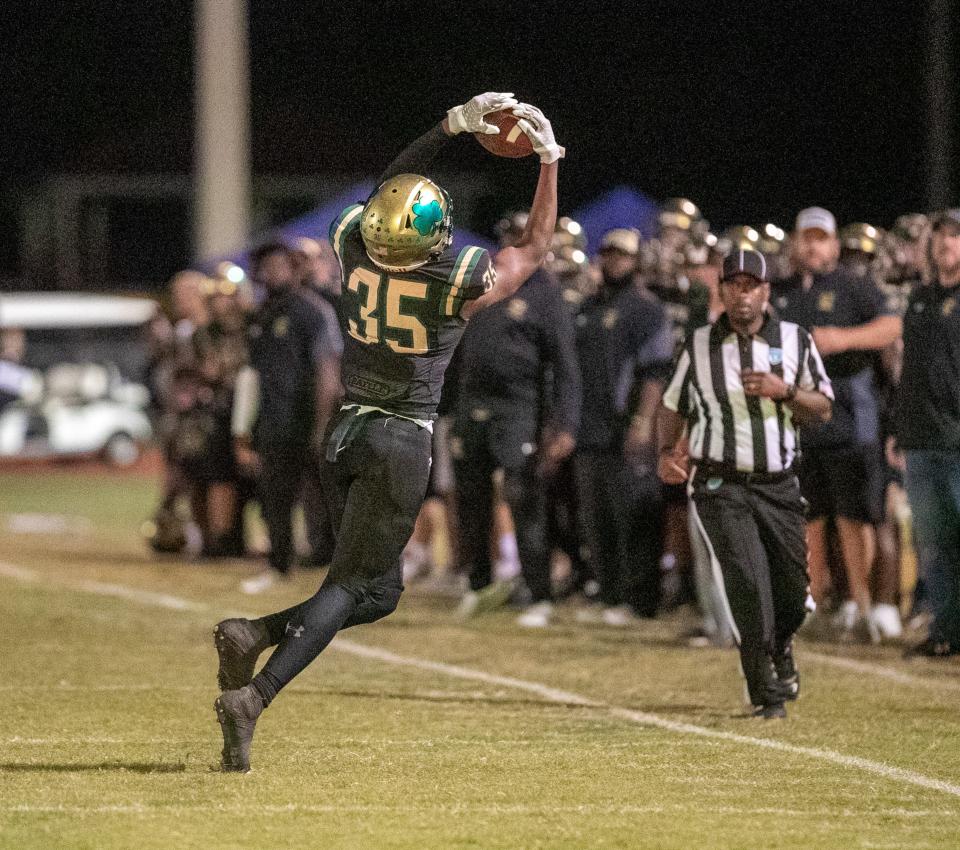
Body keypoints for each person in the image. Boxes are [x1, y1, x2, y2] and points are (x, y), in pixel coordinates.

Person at [212, 93, 563, 771]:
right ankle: (255, 695)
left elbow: (382, 193)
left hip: (343, 430)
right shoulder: (457, 278)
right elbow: (536, 246)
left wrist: (446, 127)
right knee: (353, 587)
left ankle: (254, 630)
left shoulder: (352, 247)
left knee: (377, 592)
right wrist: (548, 160)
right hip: (400, 436)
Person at [658, 248, 833, 719]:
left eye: (751, 284)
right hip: (719, 483)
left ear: (766, 290)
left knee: (793, 593)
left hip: (778, 483)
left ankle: (780, 647)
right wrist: (665, 451)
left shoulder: (796, 339)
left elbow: (824, 408)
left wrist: (787, 392)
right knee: (746, 583)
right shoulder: (698, 345)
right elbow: (671, 403)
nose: (743, 293)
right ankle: (765, 690)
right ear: (721, 291)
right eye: (734, 284)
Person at [771, 207, 901, 641]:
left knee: (853, 517)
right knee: (807, 516)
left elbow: (890, 326)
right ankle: (817, 603)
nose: (812, 245)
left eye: (820, 238)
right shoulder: (783, 291)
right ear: (794, 242)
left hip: (850, 416)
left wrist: (840, 339)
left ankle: (863, 604)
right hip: (798, 420)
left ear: (833, 244)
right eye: (806, 237)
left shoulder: (854, 286)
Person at [452, 211, 581, 628]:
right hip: (472, 408)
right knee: (470, 501)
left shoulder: (545, 294)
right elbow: (457, 355)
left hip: (519, 408)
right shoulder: (479, 287)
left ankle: (538, 591)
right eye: (508, 237)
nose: (512, 244)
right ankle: (480, 583)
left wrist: (564, 424)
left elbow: (565, 366)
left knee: (524, 499)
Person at [574, 228, 674, 624]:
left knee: (634, 516)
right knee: (597, 518)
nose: (615, 260)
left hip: (626, 426)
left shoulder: (647, 309)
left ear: (636, 261)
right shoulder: (588, 308)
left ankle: (639, 600)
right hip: (589, 426)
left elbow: (655, 370)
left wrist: (643, 420)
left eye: (623, 255)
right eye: (609, 253)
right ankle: (609, 593)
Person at [231, 240, 343, 593]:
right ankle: (280, 564)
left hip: (308, 418)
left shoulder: (312, 310)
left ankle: (340, 570)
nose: (271, 272)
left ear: (294, 268)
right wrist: (246, 427)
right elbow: (253, 376)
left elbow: (328, 368)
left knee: (329, 498)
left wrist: (322, 424)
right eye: (266, 267)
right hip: (274, 421)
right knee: (275, 496)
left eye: (278, 265)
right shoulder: (264, 314)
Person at [896, 208, 960, 658]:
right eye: (940, 236)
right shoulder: (919, 298)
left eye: (955, 236)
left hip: (958, 439)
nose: (946, 244)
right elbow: (910, 374)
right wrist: (896, 429)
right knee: (934, 546)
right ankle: (947, 631)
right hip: (921, 441)